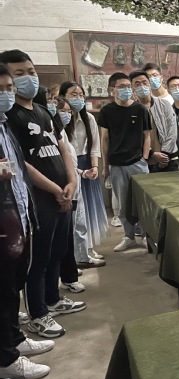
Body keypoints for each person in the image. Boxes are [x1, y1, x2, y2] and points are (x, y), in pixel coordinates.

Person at [1, 49, 85, 338]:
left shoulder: (41, 110)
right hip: (39, 197)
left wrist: (71, 181)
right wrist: (54, 189)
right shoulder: (9, 116)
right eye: (19, 74)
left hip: (63, 192)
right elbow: (19, 162)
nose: (28, 78)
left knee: (58, 251)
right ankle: (38, 313)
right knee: (37, 258)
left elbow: (62, 148)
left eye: (31, 71)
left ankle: (53, 298)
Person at [0, 63, 53, 379]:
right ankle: (7, 360)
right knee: (3, 291)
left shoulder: (5, 125)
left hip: (17, 217)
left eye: (9, 88)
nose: (6, 94)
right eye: (1, 89)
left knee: (11, 288)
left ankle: (15, 341)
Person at [98, 72, 151, 252]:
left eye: (128, 87)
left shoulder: (140, 109)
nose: (126, 90)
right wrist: (105, 166)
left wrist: (144, 158)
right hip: (117, 164)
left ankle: (145, 235)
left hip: (137, 163)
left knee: (142, 201)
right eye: (122, 87)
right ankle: (129, 236)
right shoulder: (106, 111)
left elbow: (147, 135)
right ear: (112, 89)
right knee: (122, 204)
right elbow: (105, 139)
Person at [59, 81, 109, 261]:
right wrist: (78, 170)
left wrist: (95, 167)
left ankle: (87, 247)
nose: (78, 98)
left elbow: (94, 146)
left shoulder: (89, 118)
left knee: (89, 209)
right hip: (70, 167)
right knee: (76, 212)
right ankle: (76, 251)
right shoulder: (60, 119)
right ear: (63, 96)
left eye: (81, 95)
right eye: (73, 95)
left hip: (87, 165)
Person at [129, 71, 178, 172]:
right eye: (137, 84)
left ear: (150, 84)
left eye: (144, 82)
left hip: (168, 159)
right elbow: (133, 137)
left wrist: (164, 155)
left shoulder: (164, 104)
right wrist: (152, 154)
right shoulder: (131, 110)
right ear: (132, 88)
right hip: (144, 161)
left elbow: (172, 130)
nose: (142, 86)